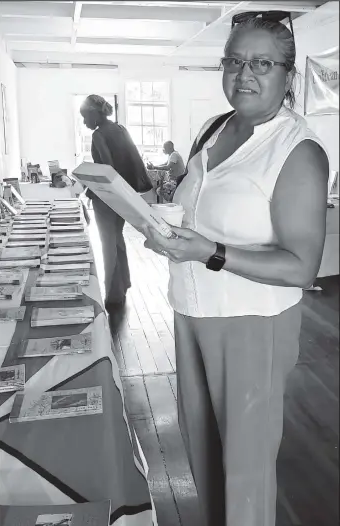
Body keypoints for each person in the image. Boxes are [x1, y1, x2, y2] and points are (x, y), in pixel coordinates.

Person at [140, 12, 329, 526]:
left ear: (288, 76)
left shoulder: (298, 151)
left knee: (245, 467)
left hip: (252, 324)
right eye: (233, 61)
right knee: (202, 444)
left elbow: (301, 266)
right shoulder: (215, 127)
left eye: (261, 63)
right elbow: (198, 212)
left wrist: (211, 253)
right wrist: (167, 235)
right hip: (192, 312)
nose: (243, 74)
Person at [80, 94, 150, 311]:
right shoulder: (120, 129)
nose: (84, 122)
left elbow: (107, 170)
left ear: (93, 114)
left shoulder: (99, 135)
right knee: (117, 239)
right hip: (124, 194)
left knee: (107, 244)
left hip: (107, 197)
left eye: (84, 117)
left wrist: (86, 181)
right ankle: (124, 283)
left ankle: (113, 295)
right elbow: (132, 160)